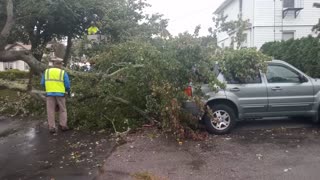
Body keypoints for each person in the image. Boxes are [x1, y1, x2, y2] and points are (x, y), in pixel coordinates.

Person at [41, 60, 71, 133]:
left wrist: (48, 88)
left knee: (50, 110)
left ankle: (52, 127)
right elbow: (67, 85)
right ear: (60, 65)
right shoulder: (63, 72)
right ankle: (63, 125)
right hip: (60, 94)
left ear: (54, 64)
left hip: (50, 94)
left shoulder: (47, 72)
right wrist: (67, 90)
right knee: (62, 109)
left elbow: (42, 83)